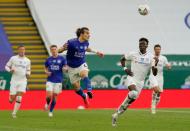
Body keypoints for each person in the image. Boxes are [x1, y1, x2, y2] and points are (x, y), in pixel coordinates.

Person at [112, 38, 159, 126]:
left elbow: (154, 73)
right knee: (133, 93)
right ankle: (125, 102)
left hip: (140, 82)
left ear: (147, 46)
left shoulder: (151, 57)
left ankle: (116, 115)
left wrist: (155, 65)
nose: (141, 45)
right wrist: (125, 69)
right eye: (140, 44)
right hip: (132, 78)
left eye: (143, 44)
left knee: (129, 102)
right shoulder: (133, 54)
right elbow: (122, 59)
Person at [58, 27, 104, 107]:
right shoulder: (71, 42)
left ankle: (89, 91)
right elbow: (60, 50)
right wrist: (61, 50)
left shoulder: (86, 42)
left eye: (89, 33)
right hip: (71, 67)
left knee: (84, 74)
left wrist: (97, 52)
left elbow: (87, 48)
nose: (89, 35)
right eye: (87, 33)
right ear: (81, 34)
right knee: (76, 88)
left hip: (81, 64)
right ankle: (84, 96)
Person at [5, 45, 31, 118]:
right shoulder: (13, 58)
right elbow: (6, 66)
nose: (22, 51)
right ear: (18, 50)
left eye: (23, 49)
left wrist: (28, 74)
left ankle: (14, 113)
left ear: (24, 50)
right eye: (20, 49)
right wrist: (10, 70)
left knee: (19, 97)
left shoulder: (28, 60)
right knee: (12, 97)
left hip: (23, 81)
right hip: (14, 80)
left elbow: (28, 70)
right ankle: (10, 98)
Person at [44, 45, 67, 117]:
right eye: (52, 50)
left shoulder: (62, 59)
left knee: (55, 96)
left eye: (55, 49)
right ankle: (47, 103)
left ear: (57, 50)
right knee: (49, 95)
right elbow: (45, 68)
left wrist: (65, 69)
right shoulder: (48, 59)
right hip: (50, 80)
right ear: (51, 51)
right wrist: (46, 72)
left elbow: (65, 66)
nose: (54, 51)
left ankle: (51, 111)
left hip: (58, 80)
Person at [149, 44, 171, 114]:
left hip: (160, 77)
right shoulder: (151, 57)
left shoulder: (163, 58)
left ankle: (154, 105)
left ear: (160, 50)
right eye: (156, 49)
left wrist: (168, 66)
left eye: (159, 49)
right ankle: (153, 106)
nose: (158, 50)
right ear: (154, 50)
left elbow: (168, 65)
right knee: (156, 90)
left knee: (159, 93)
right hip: (153, 76)